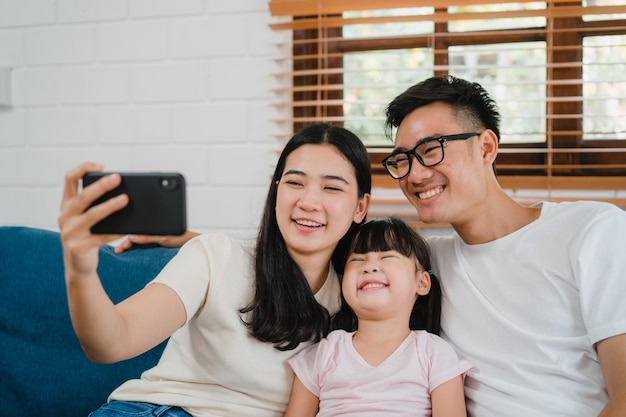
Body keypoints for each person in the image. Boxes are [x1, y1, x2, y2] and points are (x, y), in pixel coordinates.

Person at [57, 123, 371, 417]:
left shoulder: (361, 297)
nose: (309, 201)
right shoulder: (215, 255)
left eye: (332, 188)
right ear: (276, 191)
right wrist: (80, 269)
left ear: (360, 207)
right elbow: (112, 342)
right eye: (294, 182)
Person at [382, 74, 626, 417]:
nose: (415, 175)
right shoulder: (424, 261)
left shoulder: (591, 229)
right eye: (402, 160)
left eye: (431, 150)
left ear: (486, 147)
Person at [284, 216, 472, 417]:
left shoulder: (434, 353)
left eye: (387, 257)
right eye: (357, 260)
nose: (369, 266)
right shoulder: (324, 354)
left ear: (422, 282)